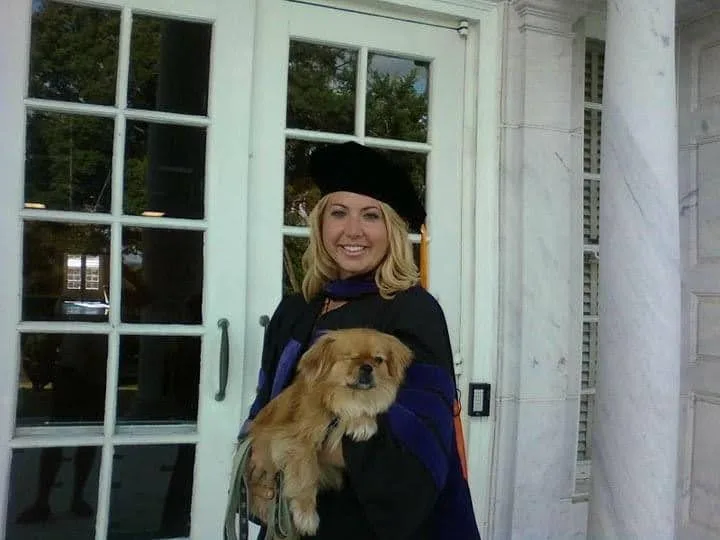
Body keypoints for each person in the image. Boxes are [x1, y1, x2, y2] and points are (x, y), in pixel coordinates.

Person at [241, 141, 481, 540]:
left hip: (366, 525)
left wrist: (291, 445)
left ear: (392, 230)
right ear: (321, 225)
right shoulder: (296, 309)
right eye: (338, 213)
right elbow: (267, 404)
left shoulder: (411, 311)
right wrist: (256, 461)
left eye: (371, 216)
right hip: (294, 516)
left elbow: (416, 448)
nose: (352, 231)